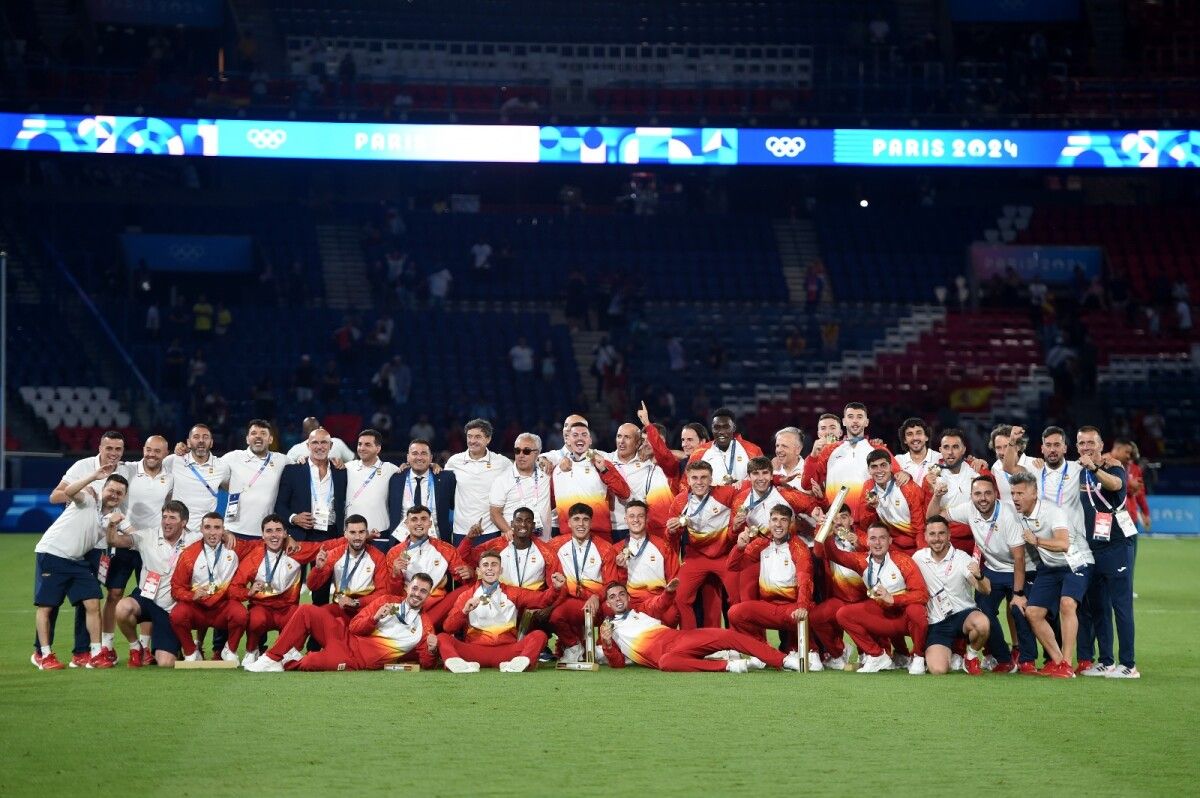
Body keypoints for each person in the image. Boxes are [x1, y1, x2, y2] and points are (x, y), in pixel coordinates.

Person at [928, 475, 1035, 674]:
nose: (982, 498)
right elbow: (934, 517)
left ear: (996, 494)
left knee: (1019, 609)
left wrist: (1018, 593)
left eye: (987, 493)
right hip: (993, 569)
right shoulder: (969, 508)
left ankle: (1027, 660)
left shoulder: (1008, 515)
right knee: (984, 609)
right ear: (971, 496)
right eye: (977, 494)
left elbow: (1019, 558)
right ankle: (1004, 660)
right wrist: (936, 496)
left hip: (1019, 569)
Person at [33, 471, 128, 670]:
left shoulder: (110, 518)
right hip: (53, 553)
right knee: (47, 606)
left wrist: (113, 524)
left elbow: (113, 539)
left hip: (76, 561)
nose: (114, 495)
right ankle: (45, 655)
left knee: (93, 601)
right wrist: (93, 477)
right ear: (103, 489)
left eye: (119, 493)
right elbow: (69, 490)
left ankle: (95, 653)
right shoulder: (88, 500)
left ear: (124, 497)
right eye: (111, 490)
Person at [245, 575, 439, 672]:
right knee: (306, 610)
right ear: (407, 588)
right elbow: (354, 626)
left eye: (423, 591)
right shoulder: (386, 600)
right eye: (415, 588)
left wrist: (431, 649)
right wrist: (374, 618)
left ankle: (286, 663)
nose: (417, 594)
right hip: (344, 636)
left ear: (428, 595)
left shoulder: (426, 626)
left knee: (311, 661)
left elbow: (426, 663)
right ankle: (271, 657)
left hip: (354, 660)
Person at [599, 582, 803, 673]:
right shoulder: (609, 629)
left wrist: (669, 593)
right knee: (666, 662)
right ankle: (729, 666)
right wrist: (607, 643)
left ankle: (783, 659)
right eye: (613, 597)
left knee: (727, 635)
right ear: (607, 604)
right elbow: (618, 665)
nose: (618, 599)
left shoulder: (640, 610)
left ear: (627, 596)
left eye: (621, 594)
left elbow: (659, 604)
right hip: (668, 655)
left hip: (681, 639)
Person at [97, 435, 173, 665]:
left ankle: (145, 648)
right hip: (125, 542)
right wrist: (124, 527)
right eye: (148, 449)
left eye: (157, 451)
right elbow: (112, 499)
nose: (151, 454)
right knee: (114, 594)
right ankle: (107, 647)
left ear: (165, 454)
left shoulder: (169, 478)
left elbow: (167, 505)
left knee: (150, 594)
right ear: (143, 449)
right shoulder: (128, 470)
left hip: (151, 546)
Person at [1010, 471, 1092, 678]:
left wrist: (1036, 541)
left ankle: (1067, 660)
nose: (1016, 498)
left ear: (1034, 493)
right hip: (1050, 568)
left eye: (1020, 493)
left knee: (1067, 603)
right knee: (1033, 612)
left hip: (1076, 563)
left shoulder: (1052, 511)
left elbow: (1064, 544)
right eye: (1013, 493)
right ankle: (1059, 663)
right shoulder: (1018, 514)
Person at [820, 521, 930, 674]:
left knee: (917, 611)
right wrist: (828, 532)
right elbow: (834, 555)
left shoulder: (903, 561)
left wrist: (894, 599)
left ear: (890, 541)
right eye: (873, 538)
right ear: (867, 541)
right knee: (844, 614)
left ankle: (918, 656)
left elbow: (922, 594)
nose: (877, 543)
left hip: (905, 618)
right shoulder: (861, 561)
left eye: (882, 538)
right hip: (883, 617)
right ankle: (877, 655)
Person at [1074, 426, 1137, 678]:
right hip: (1092, 549)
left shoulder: (1113, 467)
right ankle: (1106, 661)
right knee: (1099, 606)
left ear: (1101, 446)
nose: (1086, 447)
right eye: (1081, 443)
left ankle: (1129, 665)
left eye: (1091, 442)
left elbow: (1116, 484)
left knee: (1121, 606)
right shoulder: (1079, 471)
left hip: (1116, 546)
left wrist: (1095, 468)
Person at [108, 500, 202, 668]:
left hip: (171, 607)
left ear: (184, 522)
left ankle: (177, 648)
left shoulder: (195, 539)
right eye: (164, 517)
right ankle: (136, 647)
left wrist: (227, 535)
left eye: (172, 518)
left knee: (166, 663)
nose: (166, 521)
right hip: (146, 597)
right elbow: (114, 541)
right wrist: (112, 525)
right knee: (122, 608)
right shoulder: (147, 536)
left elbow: (216, 537)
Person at [438, 550, 566, 672]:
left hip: (507, 651)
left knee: (539, 635)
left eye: (494, 565)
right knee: (442, 638)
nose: (489, 568)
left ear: (501, 570)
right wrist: (464, 611)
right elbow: (448, 627)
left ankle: (520, 663)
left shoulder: (513, 593)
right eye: (485, 565)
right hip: (475, 651)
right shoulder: (467, 595)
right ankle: (456, 664)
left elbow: (542, 600)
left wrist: (555, 588)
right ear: (478, 571)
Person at [228, 514, 331, 663]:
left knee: (302, 617)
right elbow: (234, 588)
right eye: (269, 531)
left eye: (278, 530)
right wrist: (248, 592)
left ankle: (289, 651)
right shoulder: (254, 557)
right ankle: (252, 650)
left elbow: (326, 545)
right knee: (255, 619)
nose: (274, 535)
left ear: (285, 533)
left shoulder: (295, 550)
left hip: (288, 608)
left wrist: (352, 539)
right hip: (262, 608)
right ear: (262, 534)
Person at [727, 505, 818, 669]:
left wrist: (802, 606)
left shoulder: (799, 548)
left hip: (791, 608)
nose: (778, 525)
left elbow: (805, 579)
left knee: (806, 616)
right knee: (735, 613)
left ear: (790, 523)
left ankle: (812, 652)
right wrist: (739, 547)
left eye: (783, 520)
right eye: (775, 520)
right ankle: (764, 653)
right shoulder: (761, 544)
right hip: (768, 607)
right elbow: (733, 566)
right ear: (769, 523)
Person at [666, 460, 742, 629]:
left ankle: (740, 643)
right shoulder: (680, 501)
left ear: (711, 479)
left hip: (725, 556)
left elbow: (754, 485)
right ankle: (690, 641)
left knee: (738, 599)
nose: (699, 482)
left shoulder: (726, 493)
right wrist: (671, 531)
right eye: (694, 478)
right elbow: (671, 538)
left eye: (703, 478)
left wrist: (744, 483)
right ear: (688, 480)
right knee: (680, 597)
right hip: (696, 557)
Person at [912, 516, 991, 675]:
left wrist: (979, 576)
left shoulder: (961, 558)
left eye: (941, 533)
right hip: (937, 622)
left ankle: (971, 656)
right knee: (938, 670)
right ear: (926, 537)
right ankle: (954, 653)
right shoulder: (918, 558)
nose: (937, 538)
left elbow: (986, 589)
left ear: (949, 535)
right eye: (932, 534)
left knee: (982, 623)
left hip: (963, 615)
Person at [168, 513, 247, 663]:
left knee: (241, 614)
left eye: (217, 528)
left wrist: (287, 537)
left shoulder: (235, 547)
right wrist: (192, 595)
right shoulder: (189, 554)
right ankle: (191, 652)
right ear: (201, 530)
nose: (212, 532)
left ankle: (230, 650)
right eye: (208, 527)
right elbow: (176, 587)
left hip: (223, 607)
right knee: (177, 614)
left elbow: (261, 545)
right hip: (197, 607)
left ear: (224, 530)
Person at [803, 403, 907, 517]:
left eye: (859, 417)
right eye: (851, 417)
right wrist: (813, 456)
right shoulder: (829, 451)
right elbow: (808, 484)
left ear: (866, 422)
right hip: (837, 519)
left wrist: (904, 474)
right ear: (844, 421)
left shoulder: (877, 448)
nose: (855, 421)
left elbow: (899, 476)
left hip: (868, 519)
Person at [384, 506, 474, 630]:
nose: (419, 523)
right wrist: (395, 574)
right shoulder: (394, 553)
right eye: (414, 519)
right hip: (409, 603)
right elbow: (392, 593)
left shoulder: (446, 549)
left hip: (437, 604)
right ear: (406, 524)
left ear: (430, 523)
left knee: (469, 589)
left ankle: (421, 627)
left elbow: (463, 579)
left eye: (423, 519)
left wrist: (470, 574)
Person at [549, 503, 618, 662]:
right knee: (555, 615)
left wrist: (596, 596)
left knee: (612, 607)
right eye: (576, 519)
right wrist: (507, 536)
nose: (581, 524)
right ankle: (574, 646)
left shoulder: (605, 548)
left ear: (591, 523)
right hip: (572, 601)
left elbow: (611, 582)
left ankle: (602, 649)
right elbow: (535, 548)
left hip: (597, 602)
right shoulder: (555, 545)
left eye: (585, 520)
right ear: (568, 523)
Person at [551, 421, 631, 544]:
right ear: (567, 440)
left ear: (590, 440)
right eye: (575, 435)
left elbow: (624, 493)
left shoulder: (601, 463)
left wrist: (604, 470)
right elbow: (550, 503)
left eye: (584, 435)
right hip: (568, 537)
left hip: (599, 535)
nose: (580, 438)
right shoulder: (558, 469)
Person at [809, 505, 867, 669]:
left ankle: (873, 652)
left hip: (865, 599)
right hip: (840, 599)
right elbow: (818, 552)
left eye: (843, 517)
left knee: (873, 651)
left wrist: (859, 544)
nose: (839, 521)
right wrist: (823, 527)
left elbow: (877, 554)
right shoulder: (828, 540)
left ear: (851, 519)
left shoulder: (862, 536)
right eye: (834, 518)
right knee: (815, 617)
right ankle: (838, 653)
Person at [305, 514, 387, 621]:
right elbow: (313, 586)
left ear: (367, 534)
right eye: (352, 532)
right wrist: (318, 569)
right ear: (345, 534)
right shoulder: (334, 554)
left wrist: (356, 602)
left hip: (366, 609)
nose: (357, 537)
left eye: (361, 532)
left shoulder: (378, 557)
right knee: (307, 613)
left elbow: (383, 593)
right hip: (339, 609)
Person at [445, 419, 513, 545]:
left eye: (478, 437)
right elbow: (442, 484)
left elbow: (519, 473)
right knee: (461, 566)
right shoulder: (454, 461)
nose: (472, 441)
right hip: (461, 530)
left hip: (490, 530)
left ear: (488, 439)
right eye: (469, 436)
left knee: (490, 565)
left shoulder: (502, 462)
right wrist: (433, 466)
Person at [923, 428, 990, 553]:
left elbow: (992, 507)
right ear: (940, 450)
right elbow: (930, 519)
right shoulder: (931, 479)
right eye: (946, 447)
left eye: (955, 447)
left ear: (964, 449)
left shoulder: (979, 471)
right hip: (947, 542)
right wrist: (937, 496)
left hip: (979, 540)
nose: (950, 452)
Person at [615, 500, 680, 627]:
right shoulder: (616, 549)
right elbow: (614, 585)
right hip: (630, 601)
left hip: (658, 599)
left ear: (647, 519)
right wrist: (621, 569)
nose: (636, 520)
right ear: (625, 519)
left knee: (671, 614)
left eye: (640, 516)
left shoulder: (663, 545)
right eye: (632, 516)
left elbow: (674, 576)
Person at [221, 420, 287, 540]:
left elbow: (303, 465)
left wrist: (303, 458)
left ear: (270, 439)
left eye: (263, 433)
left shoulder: (282, 460)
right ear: (247, 439)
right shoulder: (232, 457)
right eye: (254, 433)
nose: (258, 436)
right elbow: (208, 467)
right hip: (233, 531)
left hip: (265, 533)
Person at [605, 422, 672, 541]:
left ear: (637, 443)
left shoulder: (650, 468)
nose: (621, 441)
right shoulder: (605, 460)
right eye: (619, 436)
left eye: (627, 437)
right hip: (607, 529)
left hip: (635, 528)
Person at [165, 424, 231, 533]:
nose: (201, 440)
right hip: (177, 531)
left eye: (205, 437)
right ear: (188, 442)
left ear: (211, 442)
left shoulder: (222, 467)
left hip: (205, 533)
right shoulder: (173, 461)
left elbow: (233, 491)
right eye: (196, 437)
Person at [859, 449, 927, 554]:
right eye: (874, 467)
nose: (879, 470)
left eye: (883, 465)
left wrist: (921, 554)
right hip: (889, 546)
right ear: (869, 470)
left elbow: (920, 528)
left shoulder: (906, 486)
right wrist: (870, 508)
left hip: (914, 545)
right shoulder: (868, 487)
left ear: (891, 467)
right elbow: (865, 526)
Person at [388, 438, 455, 542]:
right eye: (414, 453)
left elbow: (454, 504)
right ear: (408, 457)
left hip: (437, 542)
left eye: (424, 453)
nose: (419, 457)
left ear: (431, 457)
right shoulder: (396, 479)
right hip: (402, 542)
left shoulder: (446, 479)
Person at [489, 433, 552, 538]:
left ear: (537, 453)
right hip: (514, 544)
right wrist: (509, 531)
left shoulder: (546, 472)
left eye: (526, 451)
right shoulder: (502, 479)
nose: (521, 455)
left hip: (543, 543)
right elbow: (494, 513)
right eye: (517, 451)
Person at [687, 408, 763, 485]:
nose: (721, 432)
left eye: (726, 427)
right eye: (717, 427)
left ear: (734, 428)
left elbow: (762, 479)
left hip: (743, 496)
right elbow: (686, 483)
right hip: (710, 496)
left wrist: (745, 484)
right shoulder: (699, 453)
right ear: (712, 429)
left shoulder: (752, 450)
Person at [344, 429, 399, 535]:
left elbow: (414, 471)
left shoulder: (390, 469)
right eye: (360, 444)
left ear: (378, 449)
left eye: (367, 445)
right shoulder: (348, 467)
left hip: (379, 531)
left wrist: (433, 466)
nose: (362, 448)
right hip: (351, 532)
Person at [988, 423, 1036, 508]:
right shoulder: (995, 468)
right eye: (998, 448)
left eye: (1006, 446)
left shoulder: (1034, 464)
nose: (1002, 452)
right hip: (1007, 520)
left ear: (1018, 446)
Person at [284, 417, 355, 463]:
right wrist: (297, 465)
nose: (312, 432)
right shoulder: (296, 449)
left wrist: (343, 466)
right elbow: (286, 469)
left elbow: (355, 462)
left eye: (314, 429)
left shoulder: (337, 443)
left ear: (321, 428)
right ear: (303, 433)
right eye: (308, 430)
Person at [896, 417, 938, 484]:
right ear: (904, 440)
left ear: (926, 437)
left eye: (919, 433)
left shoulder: (939, 458)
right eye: (910, 434)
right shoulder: (898, 461)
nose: (915, 438)